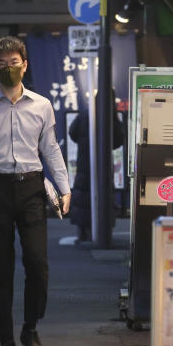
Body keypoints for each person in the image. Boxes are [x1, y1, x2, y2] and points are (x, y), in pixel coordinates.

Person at [0, 36, 71, 346]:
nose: (9, 68)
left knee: (37, 263)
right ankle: (6, 341)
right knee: (2, 267)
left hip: (32, 188)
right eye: (2, 63)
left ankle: (31, 328)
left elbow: (50, 147)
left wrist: (64, 187)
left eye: (14, 62)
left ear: (25, 64)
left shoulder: (41, 105)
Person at [67, 98, 125, 244]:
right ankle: (103, 234)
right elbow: (118, 140)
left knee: (83, 195)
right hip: (103, 164)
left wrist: (83, 143)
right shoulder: (111, 116)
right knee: (103, 194)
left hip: (84, 162)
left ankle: (83, 234)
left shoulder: (85, 113)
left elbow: (72, 131)